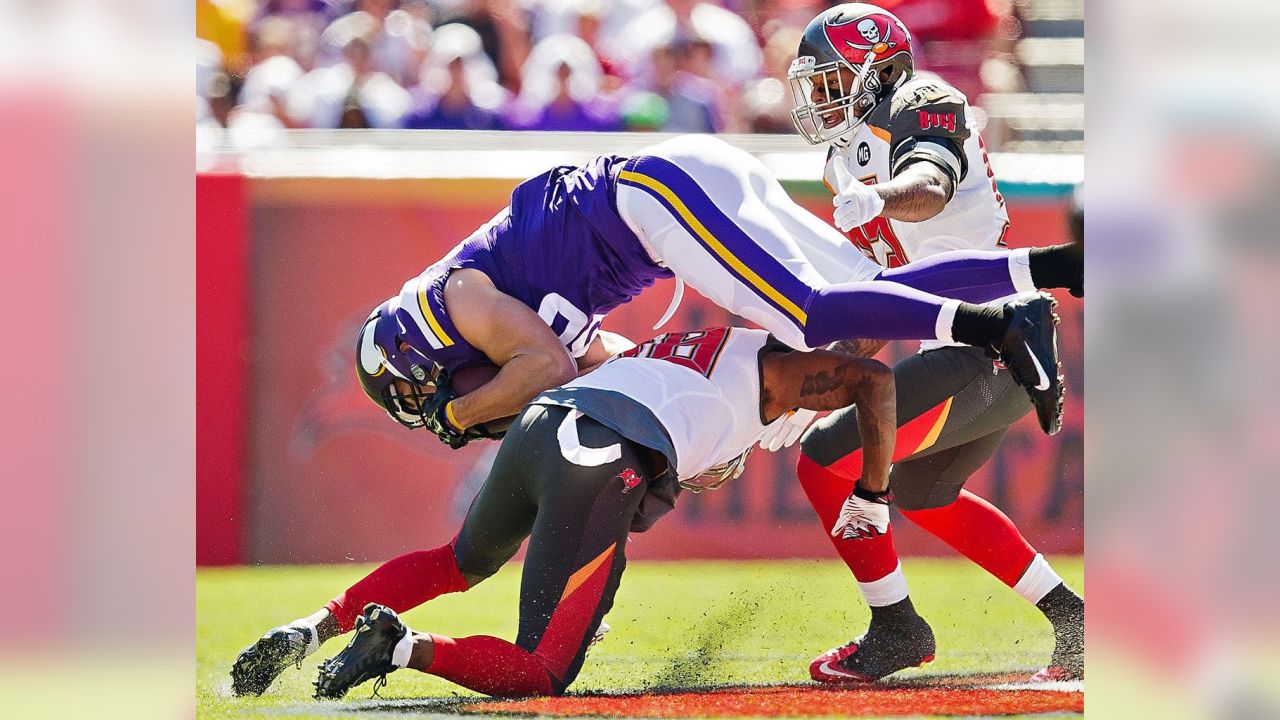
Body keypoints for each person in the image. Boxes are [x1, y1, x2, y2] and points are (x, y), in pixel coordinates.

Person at [232, 326, 899, 698]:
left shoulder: (686, 351)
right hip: (603, 458)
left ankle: (313, 627)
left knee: (459, 560)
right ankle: (399, 645)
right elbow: (872, 379)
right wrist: (872, 492)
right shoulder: (775, 373)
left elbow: (599, 355)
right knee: (543, 669)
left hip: (540, 425)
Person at [782, 3, 1084, 684]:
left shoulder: (922, 98)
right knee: (923, 491)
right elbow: (886, 299)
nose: (823, 97)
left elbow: (930, 183)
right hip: (961, 350)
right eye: (818, 84)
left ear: (879, 69)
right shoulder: (842, 159)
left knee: (822, 463)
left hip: (997, 341)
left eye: (834, 80)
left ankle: (895, 627)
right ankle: (1077, 622)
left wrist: (880, 195)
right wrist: (811, 384)